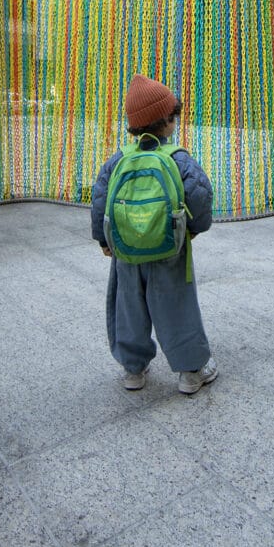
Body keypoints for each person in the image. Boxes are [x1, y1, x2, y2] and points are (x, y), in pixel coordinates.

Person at [90, 74, 217, 395]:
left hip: (126, 252)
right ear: (167, 122)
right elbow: (200, 196)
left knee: (128, 306)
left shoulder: (118, 159)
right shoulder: (178, 159)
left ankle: (133, 370)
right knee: (176, 304)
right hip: (169, 250)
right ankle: (191, 372)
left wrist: (103, 240)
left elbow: (100, 198)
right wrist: (193, 229)